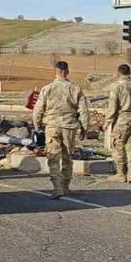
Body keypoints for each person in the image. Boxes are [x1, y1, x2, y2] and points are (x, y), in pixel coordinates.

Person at [31, 60, 90, 199]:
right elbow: (84, 111)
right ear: (67, 72)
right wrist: (84, 128)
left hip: (52, 126)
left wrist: (37, 125)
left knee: (53, 157)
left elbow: (37, 110)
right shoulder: (75, 89)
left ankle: (57, 187)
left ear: (55, 72)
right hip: (69, 126)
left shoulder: (47, 88)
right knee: (67, 157)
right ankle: (65, 186)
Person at [106, 63, 131, 184]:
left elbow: (113, 106)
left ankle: (121, 174)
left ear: (119, 73)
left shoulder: (116, 86)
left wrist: (107, 122)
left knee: (118, 147)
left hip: (122, 120)